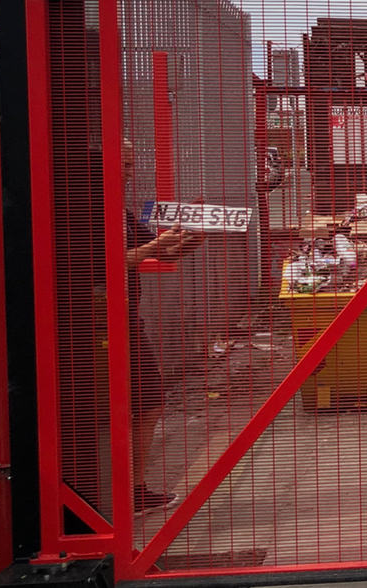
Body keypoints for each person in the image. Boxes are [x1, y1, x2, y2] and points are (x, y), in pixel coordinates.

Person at [122, 139, 203, 512]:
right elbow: (110, 261)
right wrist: (156, 247)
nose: (127, 171)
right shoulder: (86, 210)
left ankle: (133, 487)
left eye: (129, 163)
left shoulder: (122, 212)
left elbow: (159, 250)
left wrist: (189, 240)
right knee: (127, 402)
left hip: (126, 317)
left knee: (148, 399)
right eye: (121, 163)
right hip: (95, 322)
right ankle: (122, 488)